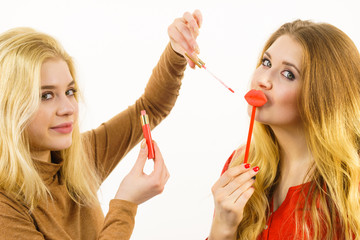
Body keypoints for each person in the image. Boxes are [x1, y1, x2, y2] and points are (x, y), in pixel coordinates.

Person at [0, 10, 202, 239]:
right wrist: (125, 204)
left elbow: (151, 107)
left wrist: (177, 49)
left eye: (69, 91)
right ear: (7, 107)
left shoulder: (76, 157)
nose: (68, 108)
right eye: (46, 96)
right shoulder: (4, 207)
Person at [208, 19, 360, 240]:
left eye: (288, 74)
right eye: (266, 62)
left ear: (322, 97)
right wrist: (222, 227)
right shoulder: (242, 163)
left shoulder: (350, 190)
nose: (262, 80)